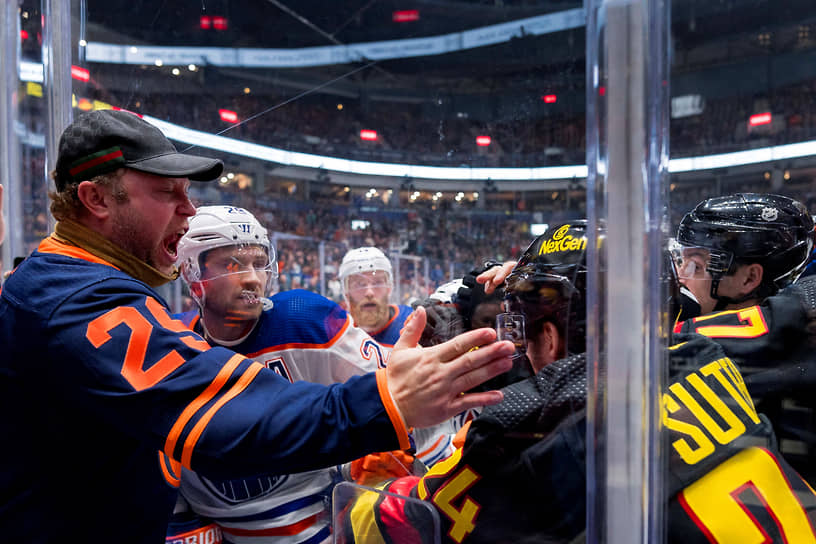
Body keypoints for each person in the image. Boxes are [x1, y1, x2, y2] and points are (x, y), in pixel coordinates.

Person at [0, 109, 515, 543]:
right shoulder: (77, 302)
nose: (188, 209)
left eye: (188, 191)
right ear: (96, 199)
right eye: (167, 192)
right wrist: (385, 400)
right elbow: (224, 420)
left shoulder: (61, 288)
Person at [341, 221, 816, 543]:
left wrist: (389, 427)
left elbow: (379, 524)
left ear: (547, 335)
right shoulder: (707, 354)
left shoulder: (528, 435)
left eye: (526, 325)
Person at [170, 205, 424, 544]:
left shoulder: (303, 319)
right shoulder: (171, 343)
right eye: (233, 264)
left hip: (320, 524)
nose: (252, 277)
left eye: (259, 263)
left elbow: (400, 390)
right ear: (191, 271)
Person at [672, 192, 816, 482]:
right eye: (681, 261)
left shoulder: (782, 341)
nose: (680, 277)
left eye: (696, 266)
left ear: (749, 279)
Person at [338, 247, 413, 347]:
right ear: (346, 293)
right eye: (360, 284)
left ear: (389, 288)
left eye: (378, 282)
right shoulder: (336, 332)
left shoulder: (412, 323)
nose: (369, 292)